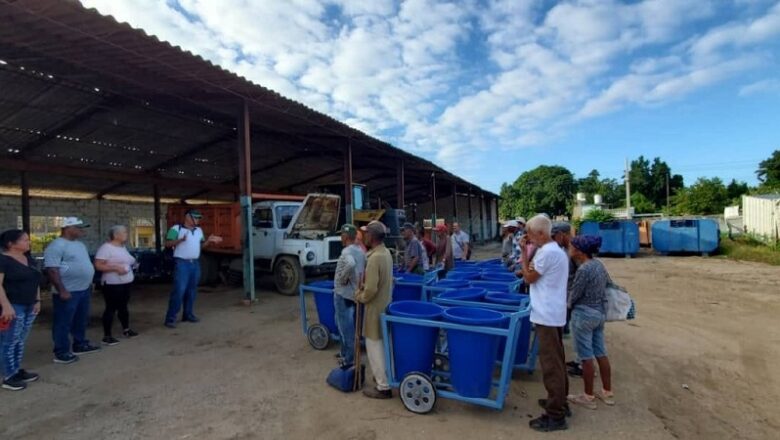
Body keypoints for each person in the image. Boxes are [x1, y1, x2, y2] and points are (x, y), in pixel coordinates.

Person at [521, 214, 570, 432]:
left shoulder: (546, 253)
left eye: (530, 234)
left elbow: (528, 277)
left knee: (551, 365)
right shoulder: (555, 251)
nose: (528, 238)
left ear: (541, 233)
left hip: (546, 315)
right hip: (554, 312)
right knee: (557, 361)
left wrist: (523, 255)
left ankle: (555, 415)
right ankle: (559, 401)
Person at [567, 235, 615, 410]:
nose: (569, 249)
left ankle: (588, 396)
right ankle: (607, 392)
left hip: (583, 315)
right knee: (600, 352)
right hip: (599, 313)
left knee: (586, 357)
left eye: (572, 247)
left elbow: (575, 293)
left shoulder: (584, 270)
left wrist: (567, 305)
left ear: (579, 251)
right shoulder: (599, 265)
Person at [44, 217, 100, 364]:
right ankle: (61, 351)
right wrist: (62, 290)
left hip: (83, 289)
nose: (82, 230)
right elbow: (52, 270)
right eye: (79, 227)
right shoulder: (56, 245)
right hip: (68, 290)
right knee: (63, 321)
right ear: (68, 228)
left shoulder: (80, 245)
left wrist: (89, 282)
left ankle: (79, 343)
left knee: (81, 319)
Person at [355, 221, 393, 399]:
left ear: (371, 236)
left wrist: (359, 296)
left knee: (374, 346)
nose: (364, 236)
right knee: (383, 345)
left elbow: (370, 289)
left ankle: (383, 386)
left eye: (366, 233)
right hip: (385, 304)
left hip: (374, 308)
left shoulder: (375, 258)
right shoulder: (386, 253)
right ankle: (384, 377)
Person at [164, 209, 222, 328]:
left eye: (198, 218)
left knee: (192, 290)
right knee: (179, 290)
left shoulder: (198, 231)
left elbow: (201, 246)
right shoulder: (176, 229)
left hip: (194, 263)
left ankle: (188, 314)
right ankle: (170, 318)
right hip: (181, 263)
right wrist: (180, 240)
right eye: (195, 217)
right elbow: (167, 243)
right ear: (187, 217)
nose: (197, 220)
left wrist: (209, 241)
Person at [0, 230, 42, 391]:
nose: (28, 242)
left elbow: (35, 280)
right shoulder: (3, 260)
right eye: (24, 240)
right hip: (13, 306)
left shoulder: (28, 259)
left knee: (20, 339)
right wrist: (5, 306)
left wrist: (37, 300)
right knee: (9, 341)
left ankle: (16, 369)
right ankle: (8, 375)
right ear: (11, 244)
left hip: (29, 304)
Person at [94, 225, 139, 346]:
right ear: (116, 235)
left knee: (123, 307)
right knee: (111, 308)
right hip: (112, 283)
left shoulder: (122, 247)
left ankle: (126, 329)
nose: (126, 234)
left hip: (125, 282)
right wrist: (114, 268)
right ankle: (107, 336)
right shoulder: (106, 248)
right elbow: (98, 265)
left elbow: (128, 261)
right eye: (124, 232)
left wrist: (134, 263)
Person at [332, 224, 365, 367]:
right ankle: (345, 352)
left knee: (345, 327)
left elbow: (350, 264)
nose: (341, 237)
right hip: (354, 293)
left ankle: (349, 359)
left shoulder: (346, 252)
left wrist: (342, 278)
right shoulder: (360, 251)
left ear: (345, 237)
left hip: (343, 294)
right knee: (349, 326)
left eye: (342, 235)